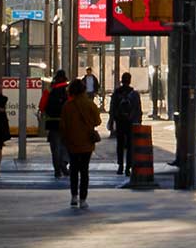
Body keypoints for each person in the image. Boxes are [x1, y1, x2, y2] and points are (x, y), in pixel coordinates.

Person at [59, 77, 101, 211]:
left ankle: (74, 196)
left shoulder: (67, 106)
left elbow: (63, 126)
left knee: (74, 170)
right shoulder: (90, 104)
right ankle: (83, 199)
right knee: (84, 171)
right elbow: (97, 121)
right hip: (87, 144)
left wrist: (66, 139)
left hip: (72, 144)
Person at [108, 73, 142, 178]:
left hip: (120, 121)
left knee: (120, 144)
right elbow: (138, 109)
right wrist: (138, 121)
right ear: (130, 80)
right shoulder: (134, 93)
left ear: (121, 80)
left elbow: (112, 108)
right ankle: (128, 167)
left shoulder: (117, 93)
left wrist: (111, 120)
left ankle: (120, 166)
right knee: (130, 145)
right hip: (131, 122)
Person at [41, 71, 71, 182]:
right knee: (66, 146)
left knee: (55, 148)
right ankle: (64, 163)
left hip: (52, 123)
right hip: (66, 123)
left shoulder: (49, 90)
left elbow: (42, 106)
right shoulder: (68, 90)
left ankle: (57, 170)